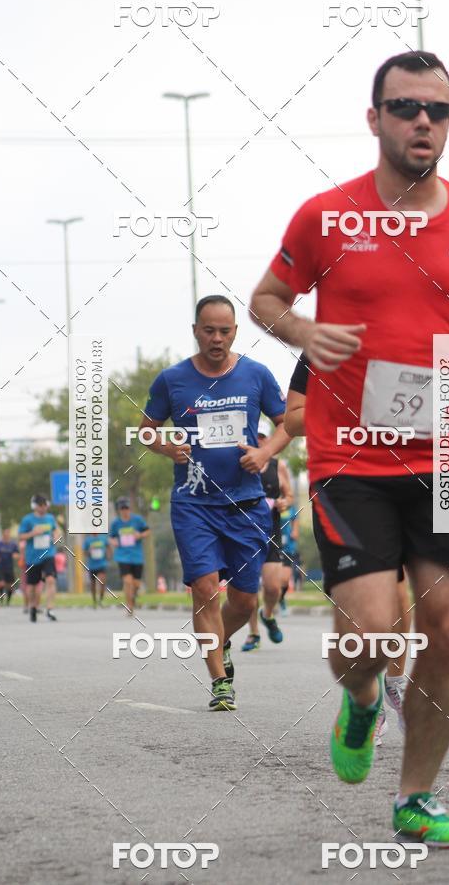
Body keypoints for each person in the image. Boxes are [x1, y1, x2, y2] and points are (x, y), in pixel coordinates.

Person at [250, 51, 449, 847]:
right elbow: (266, 300)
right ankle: (362, 695)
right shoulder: (327, 217)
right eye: (407, 107)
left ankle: (416, 797)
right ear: (374, 116)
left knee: (446, 629)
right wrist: (306, 330)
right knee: (375, 636)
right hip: (353, 455)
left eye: (439, 111)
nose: (424, 122)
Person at [140, 294, 289, 711]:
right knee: (205, 589)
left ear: (235, 332)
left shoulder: (255, 375)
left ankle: (220, 639)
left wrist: (264, 454)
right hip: (194, 503)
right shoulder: (172, 380)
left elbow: (288, 423)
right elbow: (146, 431)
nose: (217, 338)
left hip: (246, 503)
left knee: (245, 601)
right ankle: (220, 682)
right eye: (209, 330)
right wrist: (167, 446)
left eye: (225, 331)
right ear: (195, 331)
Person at [285, 352, 410, 743]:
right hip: (338, 486)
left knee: (398, 593)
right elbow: (292, 419)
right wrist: (347, 408)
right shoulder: (321, 345)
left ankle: (396, 684)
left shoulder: (410, 334)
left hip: (398, 478)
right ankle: (365, 696)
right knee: (358, 606)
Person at [241, 419, 293, 651]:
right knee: (249, 588)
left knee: (272, 587)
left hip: (270, 532)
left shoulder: (278, 466)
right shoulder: (241, 463)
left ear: (270, 440)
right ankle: (253, 634)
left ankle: (268, 614)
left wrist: (284, 503)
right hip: (244, 532)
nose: (260, 440)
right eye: (256, 436)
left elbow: (289, 495)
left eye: (264, 437)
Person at [18, 495, 61, 622]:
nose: (42, 507)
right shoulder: (27, 520)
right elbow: (20, 537)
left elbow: (56, 531)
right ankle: (32, 606)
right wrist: (32, 533)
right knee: (32, 586)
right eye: (40, 505)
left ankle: (50, 608)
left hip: (48, 554)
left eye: (44, 504)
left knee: (51, 579)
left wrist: (56, 536)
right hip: (32, 557)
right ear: (35, 506)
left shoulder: (50, 518)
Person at [109, 498, 149, 615]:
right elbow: (111, 537)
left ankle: (133, 597)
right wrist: (113, 542)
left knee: (136, 584)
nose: (125, 511)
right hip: (122, 555)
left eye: (126, 508)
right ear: (119, 510)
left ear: (130, 509)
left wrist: (140, 535)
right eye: (122, 509)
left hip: (137, 556)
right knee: (127, 581)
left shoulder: (138, 520)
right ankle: (129, 606)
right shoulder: (116, 523)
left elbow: (147, 531)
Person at [0, 529, 20, 605]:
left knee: (10, 585)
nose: (7, 536)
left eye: (8, 534)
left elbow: (17, 554)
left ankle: (8, 601)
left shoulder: (13, 545)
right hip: (0, 566)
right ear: (3, 535)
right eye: (5, 534)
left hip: (9, 567)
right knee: (1, 583)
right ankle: (1, 601)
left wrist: (15, 556)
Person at [83, 532, 110, 607]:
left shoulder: (103, 538)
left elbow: (108, 547)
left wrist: (108, 555)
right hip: (92, 565)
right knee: (93, 584)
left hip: (102, 564)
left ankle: (101, 600)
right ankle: (94, 601)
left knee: (102, 582)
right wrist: (89, 551)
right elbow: (84, 552)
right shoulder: (87, 540)